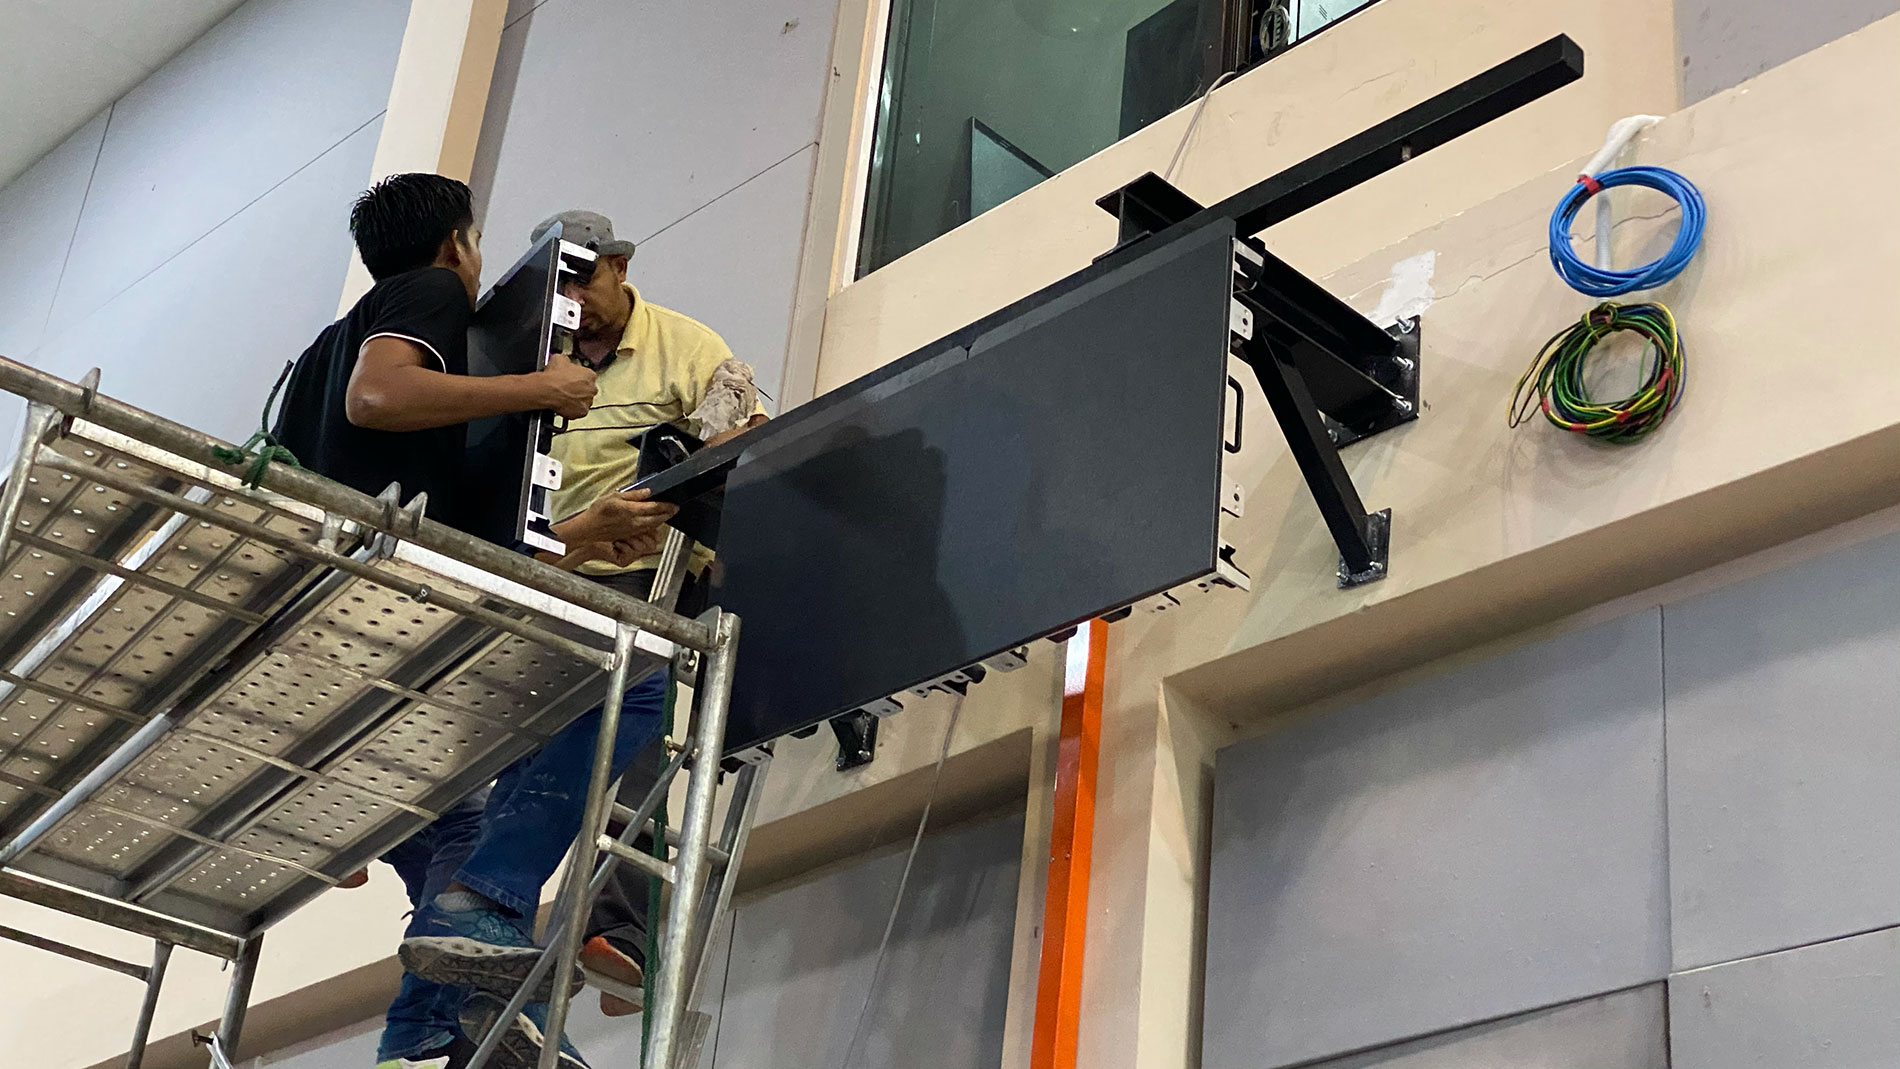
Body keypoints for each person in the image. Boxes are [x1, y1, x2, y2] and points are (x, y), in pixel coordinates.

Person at [268, 174, 679, 1069]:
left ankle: (429, 1033)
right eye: (476, 244)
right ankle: (490, 901)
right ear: (457, 244)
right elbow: (379, 396)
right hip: (387, 613)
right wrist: (540, 386)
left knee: (454, 820)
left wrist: (575, 534)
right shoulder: (430, 292)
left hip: (326, 644)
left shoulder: (320, 352)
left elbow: (451, 523)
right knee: (640, 682)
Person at [394, 208, 769, 1065]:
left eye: (587, 277)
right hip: (551, 571)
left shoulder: (683, 345)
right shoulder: (532, 363)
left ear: (621, 267)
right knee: (518, 777)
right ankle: (484, 982)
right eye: (560, 282)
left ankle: (614, 929)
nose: (576, 298)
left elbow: (743, 432)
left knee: (632, 731)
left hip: (643, 572)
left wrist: (691, 464)